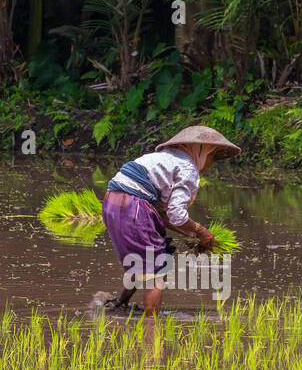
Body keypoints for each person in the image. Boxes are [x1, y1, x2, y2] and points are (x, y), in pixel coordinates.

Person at [100, 125, 241, 316]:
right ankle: (152, 325)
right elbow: (176, 214)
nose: (210, 164)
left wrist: (192, 234)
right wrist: (201, 231)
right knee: (157, 270)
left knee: (145, 259)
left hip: (113, 203)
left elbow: (165, 216)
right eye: (212, 157)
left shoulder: (163, 160)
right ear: (200, 149)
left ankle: (119, 304)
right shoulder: (188, 168)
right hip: (134, 205)